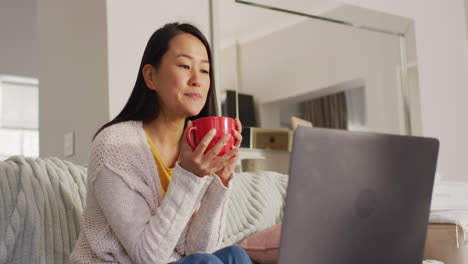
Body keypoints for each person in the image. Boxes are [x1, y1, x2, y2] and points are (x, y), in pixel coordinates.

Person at [69, 22, 252, 264]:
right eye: (185, 66)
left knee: (234, 256)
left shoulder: (197, 151)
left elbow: (200, 249)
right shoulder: (114, 145)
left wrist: (219, 182)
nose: (197, 79)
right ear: (151, 76)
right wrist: (188, 175)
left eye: (205, 70)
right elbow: (148, 257)